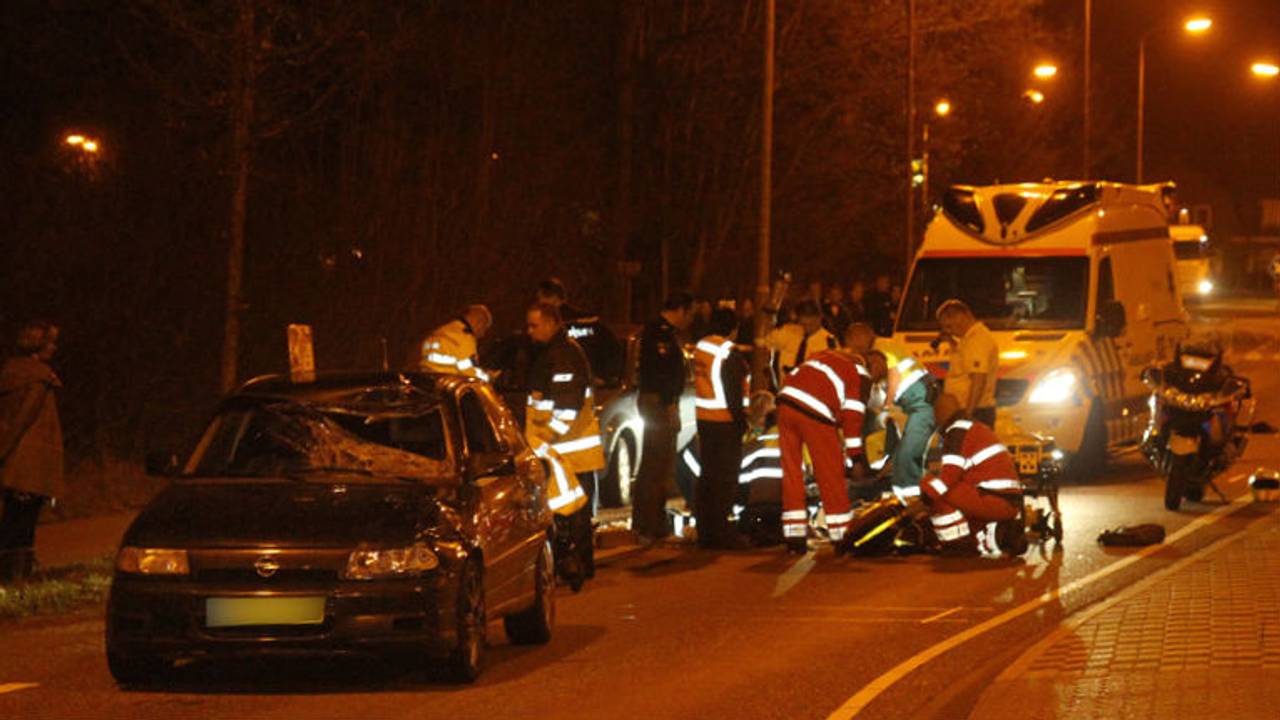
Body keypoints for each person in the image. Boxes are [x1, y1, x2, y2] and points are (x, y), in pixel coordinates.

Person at [775, 324, 883, 554]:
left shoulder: (825, 354)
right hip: (815, 410)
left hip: (785, 402)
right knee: (830, 473)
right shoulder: (860, 373)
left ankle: (794, 536)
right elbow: (853, 420)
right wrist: (856, 459)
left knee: (792, 471)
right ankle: (840, 533)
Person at [524, 302, 603, 579]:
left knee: (574, 511)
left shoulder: (564, 355)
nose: (530, 331)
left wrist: (546, 436)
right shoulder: (554, 353)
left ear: (551, 323)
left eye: (534, 325)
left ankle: (578, 565)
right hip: (562, 451)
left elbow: (568, 405)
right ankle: (574, 565)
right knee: (567, 510)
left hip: (570, 450)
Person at [919, 394, 1026, 557]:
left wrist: (924, 498)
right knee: (950, 490)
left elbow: (948, 478)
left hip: (993, 499)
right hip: (1006, 500)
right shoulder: (972, 426)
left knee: (933, 487)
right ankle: (984, 536)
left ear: (939, 413)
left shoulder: (956, 432)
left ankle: (957, 543)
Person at [0, 320, 65, 582]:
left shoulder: (10, 372)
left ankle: (13, 571)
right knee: (22, 522)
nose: (54, 347)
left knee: (13, 516)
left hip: (14, 459)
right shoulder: (39, 377)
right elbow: (25, 418)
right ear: (39, 344)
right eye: (50, 342)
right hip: (29, 461)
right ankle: (15, 575)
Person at [633, 291, 696, 543]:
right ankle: (651, 525)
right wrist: (670, 404)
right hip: (658, 403)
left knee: (656, 464)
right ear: (680, 309)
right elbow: (661, 374)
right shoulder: (659, 334)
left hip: (659, 402)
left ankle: (649, 522)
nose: (689, 320)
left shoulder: (663, 332)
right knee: (657, 464)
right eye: (689, 314)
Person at [847, 323, 936, 495]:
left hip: (916, 398)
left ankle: (910, 497)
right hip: (915, 397)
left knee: (908, 452)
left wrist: (884, 405)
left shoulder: (881, 349)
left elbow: (886, 372)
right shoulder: (884, 346)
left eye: (855, 345)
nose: (856, 350)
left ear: (861, 337)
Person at [692, 308, 751, 549]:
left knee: (707, 477)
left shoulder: (701, 347)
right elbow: (733, 392)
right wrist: (741, 422)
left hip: (705, 420)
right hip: (725, 422)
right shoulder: (728, 353)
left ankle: (705, 531)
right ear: (732, 328)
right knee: (724, 480)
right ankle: (721, 533)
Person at [536, 277, 622, 386]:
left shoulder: (550, 324)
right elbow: (613, 347)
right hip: (590, 384)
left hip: (559, 385)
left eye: (540, 298)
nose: (539, 303)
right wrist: (606, 377)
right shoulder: (589, 321)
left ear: (553, 297)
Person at [936, 299, 999, 426]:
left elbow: (978, 379)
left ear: (960, 316)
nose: (950, 331)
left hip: (975, 411)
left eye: (949, 326)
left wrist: (968, 414)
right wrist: (951, 342)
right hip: (966, 410)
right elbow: (964, 362)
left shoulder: (977, 340)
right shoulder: (968, 339)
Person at [763, 300, 835, 389]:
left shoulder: (829, 342)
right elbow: (764, 339)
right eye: (804, 324)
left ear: (819, 318)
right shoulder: (789, 331)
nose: (807, 327)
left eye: (811, 324)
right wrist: (769, 315)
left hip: (812, 392)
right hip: (786, 389)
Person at [419, 304, 493, 380]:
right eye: (484, 329)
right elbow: (469, 372)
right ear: (479, 323)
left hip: (428, 379)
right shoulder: (465, 337)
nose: (482, 335)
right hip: (448, 382)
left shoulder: (442, 331)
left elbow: (458, 365)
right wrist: (488, 377)